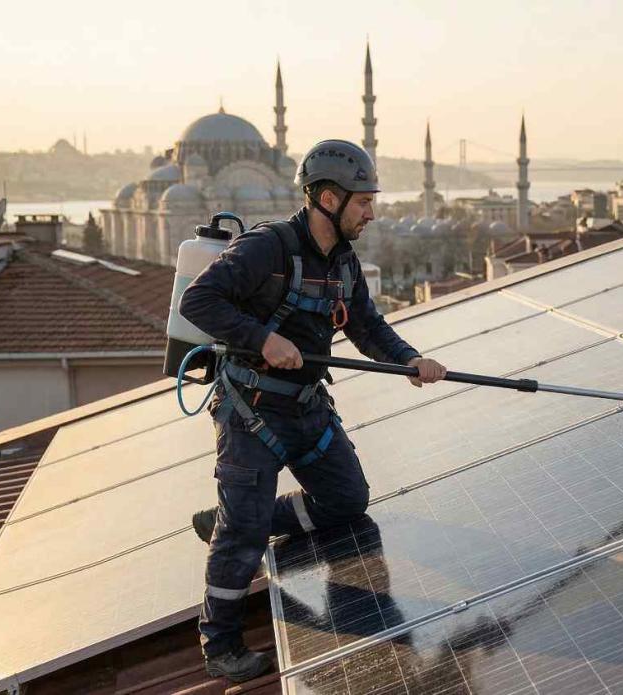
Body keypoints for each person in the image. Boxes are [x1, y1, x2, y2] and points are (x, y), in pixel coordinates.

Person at [179, 139, 446, 682]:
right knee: (245, 535)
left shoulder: (344, 263)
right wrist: (261, 338)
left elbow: (366, 326)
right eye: (364, 201)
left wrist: (410, 360)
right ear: (328, 197)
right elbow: (197, 302)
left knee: (348, 499)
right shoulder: (267, 250)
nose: (371, 212)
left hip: (307, 409)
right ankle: (220, 644)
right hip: (251, 411)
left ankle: (232, 521)